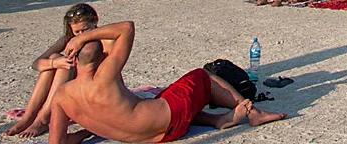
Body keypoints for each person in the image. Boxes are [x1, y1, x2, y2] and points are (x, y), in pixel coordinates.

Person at [48, 21, 285, 144]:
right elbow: (127, 28)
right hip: (168, 123)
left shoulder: (61, 96)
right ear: (101, 58)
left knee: (168, 95)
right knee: (201, 77)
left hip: (154, 134)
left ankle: (217, 120)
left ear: (75, 61)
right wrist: (86, 36)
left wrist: (85, 134)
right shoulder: (105, 75)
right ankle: (254, 113)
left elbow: (57, 142)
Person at [6, 4, 101, 138]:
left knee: (66, 64)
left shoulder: (103, 37)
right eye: (77, 32)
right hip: (73, 85)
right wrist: (54, 63)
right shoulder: (69, 39)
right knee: (55, 58)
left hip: (92, 84)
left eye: (85, 30)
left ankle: (44, 119)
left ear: (95, 21)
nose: (81, 35)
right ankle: (29, 117)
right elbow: (36, 64)